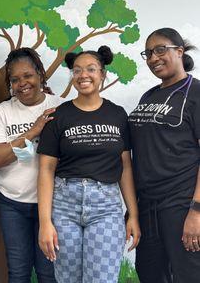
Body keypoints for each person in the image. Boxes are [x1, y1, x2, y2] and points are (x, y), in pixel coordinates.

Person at [37, 46, 140, 283]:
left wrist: (132, 214)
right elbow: (46, 169)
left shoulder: (117, 115)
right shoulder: (59, 116)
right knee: (68, 279)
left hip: (106, 207)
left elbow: (125, 167)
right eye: (77, 70)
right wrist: (45, 222)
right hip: (65, 208)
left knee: (102, 279)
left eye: (91, 69)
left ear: (102, 74)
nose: (83, 75)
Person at [128, 27, 200, 283]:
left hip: (181, 205)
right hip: (148, 205)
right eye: (148, 53)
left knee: (189, 274)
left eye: (161, 50)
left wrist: (197, 212)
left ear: (180, 51)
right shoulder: (148, 95)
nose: (153, 58)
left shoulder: (196, 92)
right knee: (149, 274)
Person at [0, 47, 61, 283]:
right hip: (12, 202)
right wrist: (33, 131)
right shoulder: (2, 112)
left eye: (27, 75)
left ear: (39, 74)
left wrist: (16, 148)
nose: (22, 84)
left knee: (49, 271)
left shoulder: (61, 107)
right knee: (18, 272)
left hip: (52, 203)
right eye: (15, 79)